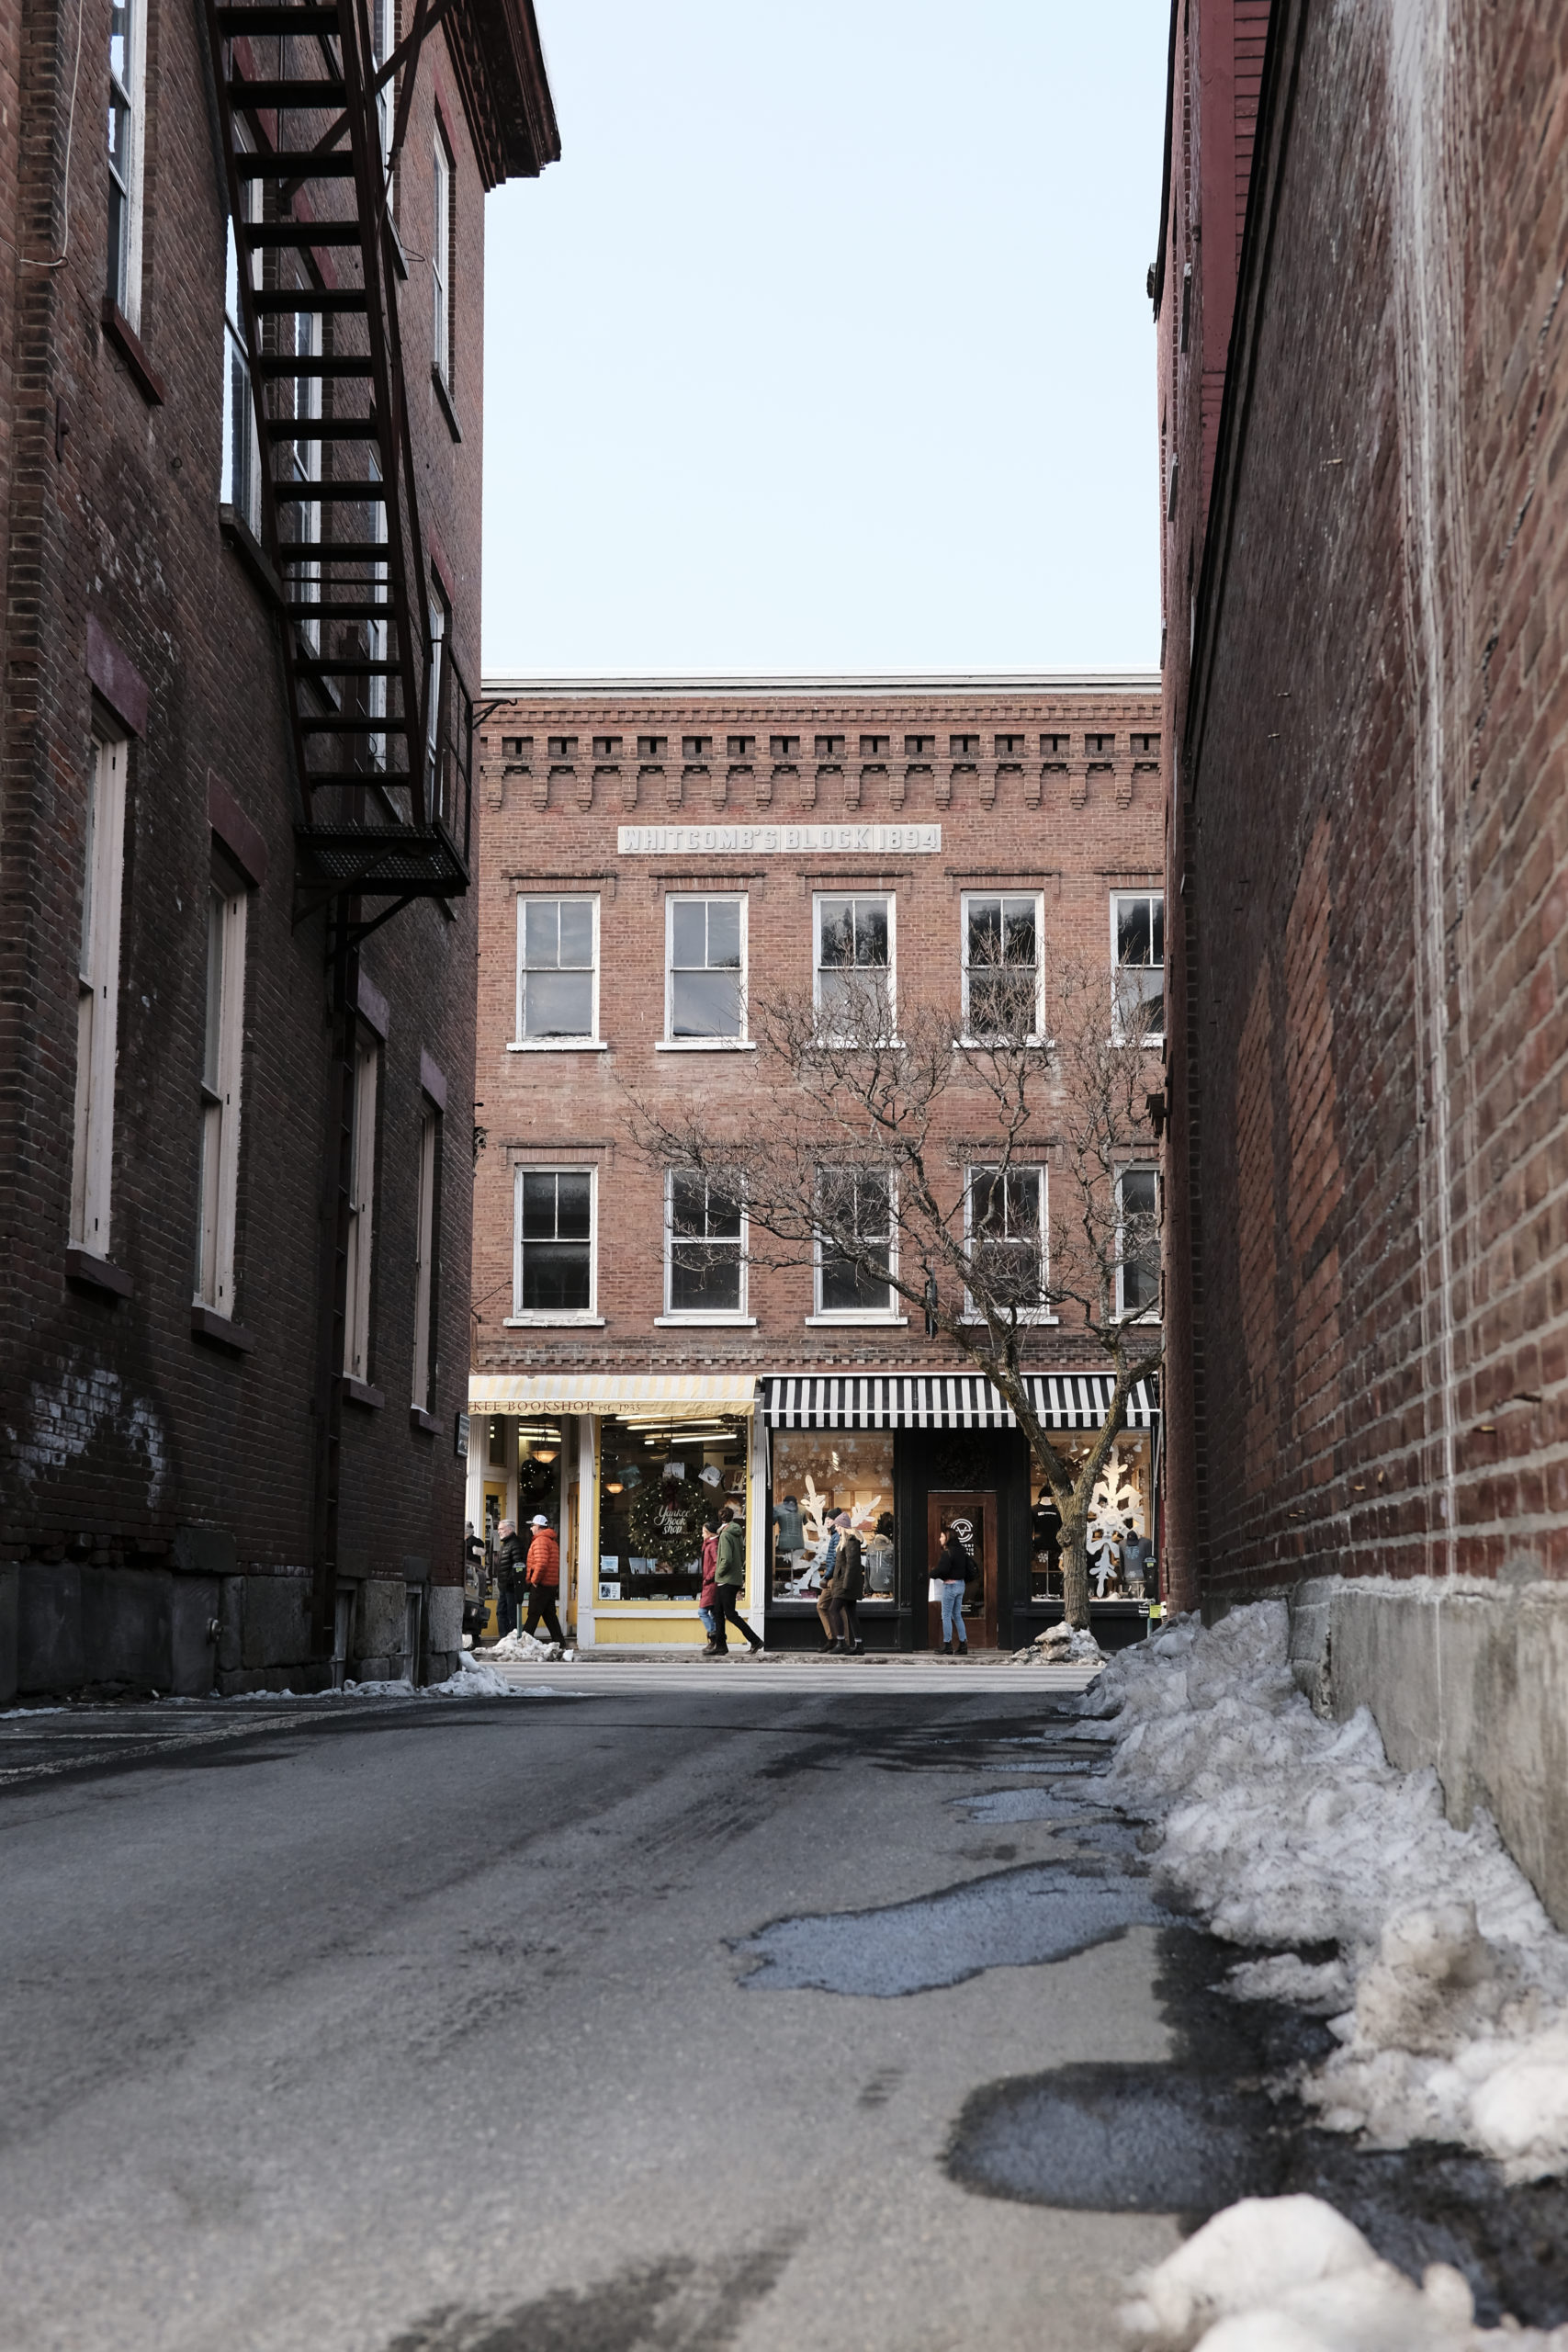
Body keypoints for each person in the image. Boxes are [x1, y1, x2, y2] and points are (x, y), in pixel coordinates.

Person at [711, 1502, 762, 1655]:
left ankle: (755, 1640)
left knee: (730, 1614)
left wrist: (718, 1574)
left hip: (726, 1579)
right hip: (733, 1578)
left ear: (721, 1519)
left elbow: (726, 1559)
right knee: (718, 1612)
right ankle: (720, 1645)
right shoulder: (736, 1533)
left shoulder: (726, 1535)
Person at [523, 1511, 566, 1650]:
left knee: (533, 1614)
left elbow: (541, 1563)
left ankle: (524, 1643)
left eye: (533, 1526)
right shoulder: (551, 1541)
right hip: (550, 1584)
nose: (531, 1529)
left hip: (541, 1584)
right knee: (549, 1616)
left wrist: (534, 1580)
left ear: (538, 1526)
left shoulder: (540, 1540)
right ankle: (559, 1642)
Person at [826, 1510, 864, 1653]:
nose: (835, 1529)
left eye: (837, 1526)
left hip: (845, 1584)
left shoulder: (851, 1541)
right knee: (851, 1612)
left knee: (833, 1609)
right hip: (843, 1583)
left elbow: (851, 1565)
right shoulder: (845, 1541)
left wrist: (845, 1585)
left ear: (843, 1526)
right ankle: (859, 1645)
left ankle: (841, 1643)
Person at [935, 1522, 972, 1657]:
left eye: (942, 1536)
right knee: (957, 1615)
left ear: (948, 1537)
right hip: (960, 1585)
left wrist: (932, 1573)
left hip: (950, 1586)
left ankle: (947, 1645)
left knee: (945, 1615)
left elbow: (943, 1570)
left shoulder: (948, 1552)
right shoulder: (961, 1550)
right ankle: (963, 1644)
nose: (940, 1539)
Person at [814, 1516, 841, 1652]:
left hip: (834, 1578)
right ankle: (835, 1639)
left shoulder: (837, 1536)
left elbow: (835, 1560)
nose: (826, 1523)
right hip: (833, 1577)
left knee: (831, 1608)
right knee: (826, 1607)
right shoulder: (835, 1535)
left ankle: (837, 1640)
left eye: (829, 1520)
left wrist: (826, 1576)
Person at [697, 1514, 722, 1654]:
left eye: (703, 1532)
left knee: (702, 1611)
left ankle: (713, 1637)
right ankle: (716, 1640)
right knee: (712, 1612)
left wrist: (708, 1578)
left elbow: (716, 1564)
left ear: (709, 1533)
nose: (701, 1534)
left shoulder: (713, 1545)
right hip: (709, 1583)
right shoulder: (708, 1544)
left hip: (710, 1584)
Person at [494, 1517, 522, 1639]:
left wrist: (510, 1581)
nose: (499, 1531)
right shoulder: (505, 1544)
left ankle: (512, 1639)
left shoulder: (515, 1544)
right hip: (504, 1587)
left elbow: (519, 1565)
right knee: (501, 1612)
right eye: (498, 1529)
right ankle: (504, 1638)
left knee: (511, 1614)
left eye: (501, 1529)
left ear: (510, 1529)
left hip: (511, 1587)